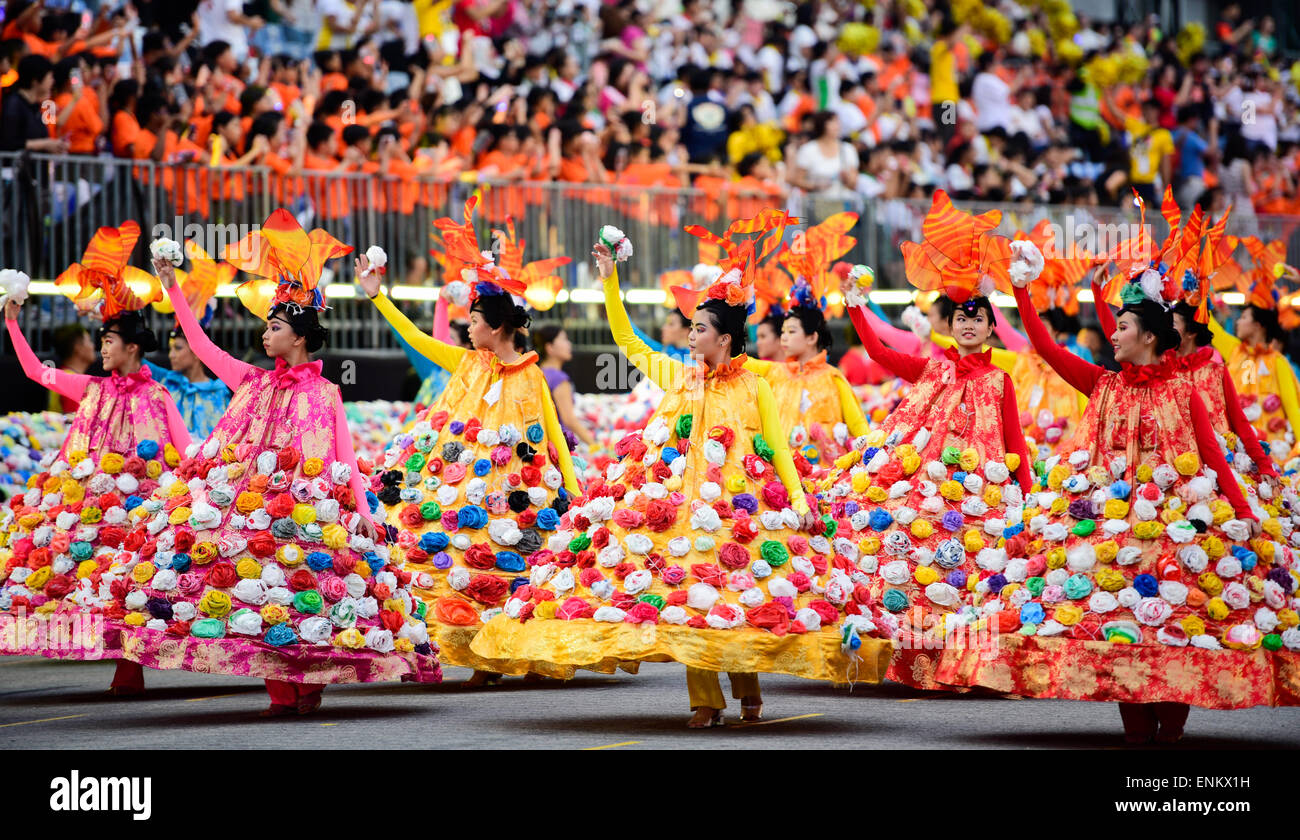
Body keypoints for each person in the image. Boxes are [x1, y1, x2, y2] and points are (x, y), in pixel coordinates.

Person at [471, 221, 892, 728]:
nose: (691, 335)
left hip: (744, 507)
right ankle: (706, 700)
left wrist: (800, 502)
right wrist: (609, 281)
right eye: (691, 327)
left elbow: (779, 446)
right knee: (696, 591)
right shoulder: (678, 373)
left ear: (726, 338)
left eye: (699, 328)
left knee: (740, 593)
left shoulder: (756, 383)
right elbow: (628, 340)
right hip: (685, 508)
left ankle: (748, 688)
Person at [943, 233, 1285, 744]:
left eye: (1122, 326)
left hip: (1175, 524)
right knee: (1120, 615)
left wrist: (1241, 509)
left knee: (1176, 615)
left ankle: (1170, 721)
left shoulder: (1185, 391)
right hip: (1108, 521)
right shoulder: (1102, 385)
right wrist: (1022, 291)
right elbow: (1044, 346)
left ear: (1148, 337)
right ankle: (1137, 728)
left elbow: (1213, 453)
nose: (1113, 334)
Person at [121, 211, 439, 715]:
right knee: (263, 591)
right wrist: (171, 288)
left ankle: (306, 686)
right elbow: (201, 344)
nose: (264, 335)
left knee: (305, 591)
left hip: (311, 512)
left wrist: (362, 514)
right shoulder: (251, 379)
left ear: (299, 335)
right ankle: (284, 692)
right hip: (257, 509)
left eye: (273, 326)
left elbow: (346, 459)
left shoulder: (327, 393)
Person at [356, 197, 581, 685]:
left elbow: (555, 437)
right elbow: (418, 339)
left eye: (475, 320)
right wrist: (379, 297)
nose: (468, 326)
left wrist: (573, 488)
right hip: (465, 490)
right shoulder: (468, 362)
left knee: (516, 564)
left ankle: (518, 650)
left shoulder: (531, 375)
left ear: (498, 326)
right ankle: (482, 656)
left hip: (520, 495)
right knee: (467, 560)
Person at [830, 212, 1034, 689]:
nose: (969, 324)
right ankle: (911, 660)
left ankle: (970, 665)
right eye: (962, 317)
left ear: (989, 328)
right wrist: (857, 306)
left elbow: (1014, 440)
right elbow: (879, 354)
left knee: (975, 574)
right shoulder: (932, 369)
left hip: (980, 493)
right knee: (919, 566)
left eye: (978, 318)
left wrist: (1026, 493)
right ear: (951, 324)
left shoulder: (1000, 379)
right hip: (925, 486)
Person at [0, 222, 191, 696]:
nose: (101, 348)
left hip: (143, 507)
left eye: (108, 342)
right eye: (100, 340)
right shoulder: (90, 389)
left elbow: (185, 449)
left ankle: (131, 668)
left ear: (131, 347)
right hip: (93, 504)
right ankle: (125, 668)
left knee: (134, 580)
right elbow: (33, 370)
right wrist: (10, 322)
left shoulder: (159, 395)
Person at [743, 275, 869, 468]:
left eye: (791, 332)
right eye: (783, 332)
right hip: (782, 474)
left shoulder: (833, 377)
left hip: (827, 475)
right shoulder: (774, 371)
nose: (784, 337)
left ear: (812, 338)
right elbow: (736, 360)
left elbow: (858, 426)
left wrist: (873, 457)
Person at [533, 323, 597, 450]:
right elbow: (569, 419)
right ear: (549, 347)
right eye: (564, 339)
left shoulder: (537, 373)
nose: (569, 344)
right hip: (559, 443)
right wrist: (595, 445)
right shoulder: (558, 378)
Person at [46, 322, 97, 413]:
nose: (93, 346)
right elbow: (76, 422)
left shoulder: (64, 375)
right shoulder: (72, 381)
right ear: (78, 348)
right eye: (89, 341)